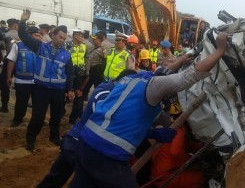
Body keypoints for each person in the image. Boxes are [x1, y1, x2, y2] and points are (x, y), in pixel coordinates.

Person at [69, 31, 228, 188]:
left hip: (85, 144)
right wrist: (220, 50)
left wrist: (152, 133)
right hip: (107, 154)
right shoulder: (154, 86)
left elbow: (122, 120)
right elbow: (190, 76)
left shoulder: (129, 80)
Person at [36, 69, 137, 188]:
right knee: (82, 180)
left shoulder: (113, 90)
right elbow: (105, 118)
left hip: (76, 142)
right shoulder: (105, 92)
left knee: (56, 177)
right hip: (79, 144)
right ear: (125, 82)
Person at [19, 9, 75, 151]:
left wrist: (70, 90)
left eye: (64, 38)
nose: (63, 40)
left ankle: (54, 137)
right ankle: (30, 139)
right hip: (41, 88)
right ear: (53, 35)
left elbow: (69, 74)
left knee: (56, 116)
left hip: (58, 91)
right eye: (60, 37)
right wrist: (23, 21)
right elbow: (24, 36)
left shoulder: (67, 55)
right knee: (38, 116)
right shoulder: (40, 47)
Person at [7, 26, 42, 127]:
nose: (39, 37)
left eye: (40, 35)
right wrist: (9, 76)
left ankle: (37, 120)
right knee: (21, 102)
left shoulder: (42, 46)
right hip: (22, 81)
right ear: (29, 35)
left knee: (38, 103)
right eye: (36, 35)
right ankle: (18, 119)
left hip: (38, 81)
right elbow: (11, 61)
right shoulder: (18, 46)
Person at [67, 29, 88, 124]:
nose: (83, 37)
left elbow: (86, 59)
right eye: (81, 35)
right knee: (66, 93)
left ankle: (74, 118)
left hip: (79, 74)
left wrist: (87, 71)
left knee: (79, 95)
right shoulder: (67, 45)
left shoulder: (84, 46)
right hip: (68, 73)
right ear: (75, 36)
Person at [0, 18, 20, 113]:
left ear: (9, 25)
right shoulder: (23, 35)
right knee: (21, 83)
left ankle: (4, 106)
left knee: (5, 82)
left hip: (9, 60)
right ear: (16, 25)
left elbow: (3, 46)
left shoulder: (5, 35)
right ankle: (20, 106)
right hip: (21, 61)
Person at [83, 33, 106, 101]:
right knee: (86, 87)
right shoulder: (93, 47)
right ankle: (84, 97)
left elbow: (105, 61)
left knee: (97, 88)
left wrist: (101, 71)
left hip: (96, 71)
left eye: (94, 39)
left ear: (99, 40)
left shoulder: (102, 50)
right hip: (90, 70)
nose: (93, 40)